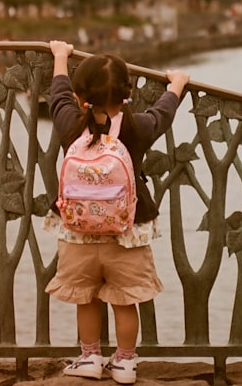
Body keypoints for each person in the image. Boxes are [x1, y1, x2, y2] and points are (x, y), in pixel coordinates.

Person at [45, 40, 190, 384]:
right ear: (127, 95)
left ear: (82, 97)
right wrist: (177, 85)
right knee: (125, 302)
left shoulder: (69, 123)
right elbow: (163, 114)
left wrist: (61, 57)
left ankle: (90, 357)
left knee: (86, 298)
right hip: (127, 233)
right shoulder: (136, 127)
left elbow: (58, 97)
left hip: (78, 233)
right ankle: (124, 362)